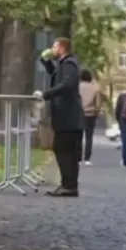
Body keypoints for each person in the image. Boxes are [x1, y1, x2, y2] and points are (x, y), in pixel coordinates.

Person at [37, 37, 85, 197]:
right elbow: (55, 75)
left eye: (54, 47)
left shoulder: (70, 64)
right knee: (65, 150)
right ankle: (69, 185)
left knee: (64, 150)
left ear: (62, 48)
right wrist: (46, 61)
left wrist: (45, 94)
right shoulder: (64, 64)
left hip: (69, 117)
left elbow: (67, 84)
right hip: (66, 117)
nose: (52, 49)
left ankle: (69, 185)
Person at [79, 69, 101, 165]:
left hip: (78, 114)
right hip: (90, 114)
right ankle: (87, 159)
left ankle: (78, 158)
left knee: (78, 136)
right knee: (89, 137)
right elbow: (98, 104)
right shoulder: (95, 88)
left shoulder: (77, 87)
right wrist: (97, 113)